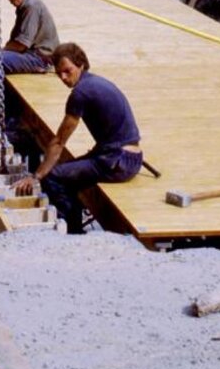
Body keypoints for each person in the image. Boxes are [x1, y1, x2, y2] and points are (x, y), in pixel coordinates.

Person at [13, 43, 142, 234]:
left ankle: (73, 233)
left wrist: (36, 176)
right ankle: (76, 216)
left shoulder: (80, 93)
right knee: (68, 169)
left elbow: (59, 141)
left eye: (68, 71)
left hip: (117, 162)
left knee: (53, 178)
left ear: (81, 64)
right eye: (59, 74)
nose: (64, 78)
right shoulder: (96, 82)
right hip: (131, 158)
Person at [0, 0, 60, 113]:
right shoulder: (26, 6)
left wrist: (3, 50)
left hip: (39, 59)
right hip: (36, 55)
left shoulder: (31, 7)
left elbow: (21, 45)